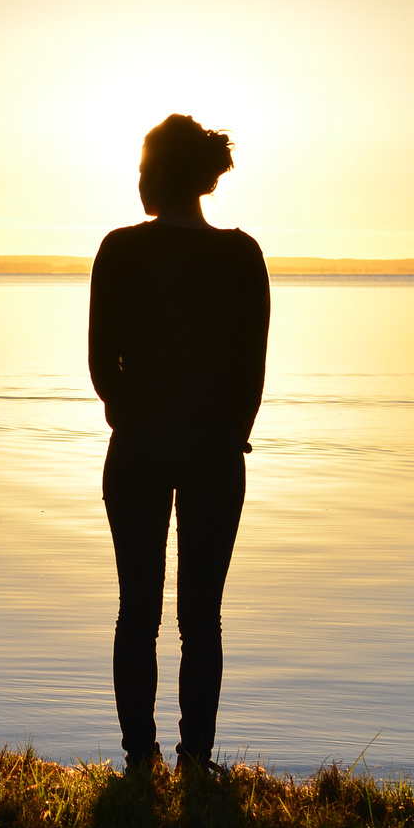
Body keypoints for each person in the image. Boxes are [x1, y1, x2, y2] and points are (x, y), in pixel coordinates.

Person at [88, 113, 270, 775]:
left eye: (141, 167)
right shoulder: (241, 255)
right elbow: (250, 371)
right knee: (202, 618)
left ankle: (141, 759)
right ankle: (195, 760)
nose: (136, 179)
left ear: (159, 175)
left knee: (137, 611)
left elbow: (101, 367)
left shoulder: (120, 249)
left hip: (137, 448)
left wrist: (135, 419)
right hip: (215, 455)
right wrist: (223, 436)